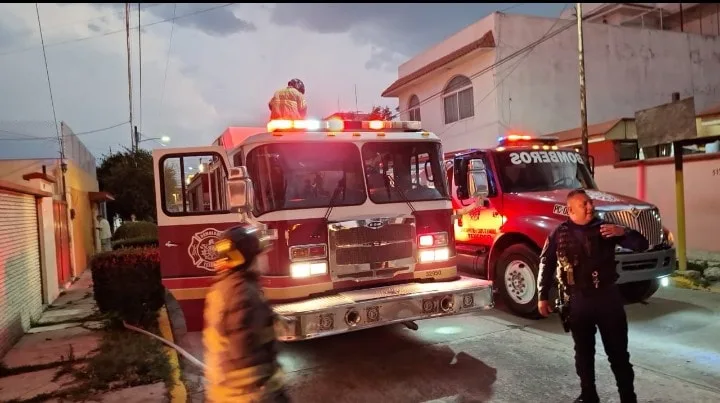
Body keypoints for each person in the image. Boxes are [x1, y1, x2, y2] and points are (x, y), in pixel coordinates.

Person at [537, 188, 649, 403]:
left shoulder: (606, 229)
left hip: (608, 299)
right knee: (583, 354)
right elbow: (547, 262)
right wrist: (542, 295)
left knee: (618, 355)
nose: (591, 207)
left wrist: (623, 232)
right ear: (570, 210)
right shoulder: (559, 233)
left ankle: (628, 398)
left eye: (590, 203)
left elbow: (641, 245)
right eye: (584, 204)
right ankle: (589, 395)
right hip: (578, 301)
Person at [203, 224, 290, 403]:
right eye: (260, 253)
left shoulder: (227, 285)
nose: (265, 257)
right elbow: (245, 358)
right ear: (247, 258)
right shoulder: (242, 294)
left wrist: (271, 321)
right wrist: (271, 392)